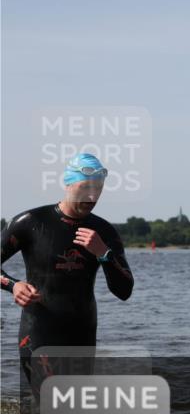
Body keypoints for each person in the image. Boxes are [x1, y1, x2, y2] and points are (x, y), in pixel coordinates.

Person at [1, 153, 134, 386]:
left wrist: (103, 253)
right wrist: (14, 286)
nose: (92, 196)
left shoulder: (103, 232)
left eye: (98, 189)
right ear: (68, 183)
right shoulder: (31, 222)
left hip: (82, 333)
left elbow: (124, 291)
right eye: (85, 188)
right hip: (39, 332)